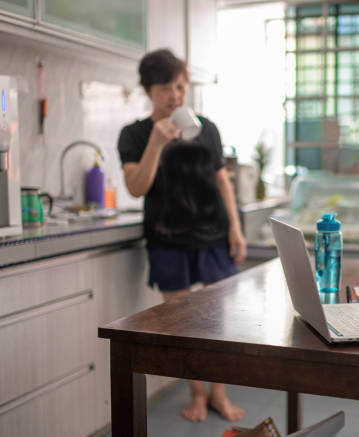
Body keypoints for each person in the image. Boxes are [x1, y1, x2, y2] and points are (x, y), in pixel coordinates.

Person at [117, 48, 247, 423]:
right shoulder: (135, 134)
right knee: (183, 328)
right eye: (165, 88)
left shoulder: (207, 128)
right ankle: (196, 394)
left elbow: (222, 180)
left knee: (220, 325)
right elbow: (136, 187)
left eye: (180, 86)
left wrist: (235, 229)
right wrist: (157, 143)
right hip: (167, 242)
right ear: (148, 91)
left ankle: (219, 395)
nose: (175, 95)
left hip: (213, 239)